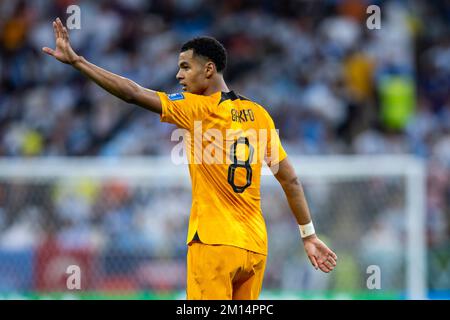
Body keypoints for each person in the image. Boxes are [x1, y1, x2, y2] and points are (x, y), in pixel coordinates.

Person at [43, 18, 337, 300]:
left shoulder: (197, 107)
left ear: (208, 69)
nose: (178, 76)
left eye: (185, 67)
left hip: (214, 242)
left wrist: (78, 62)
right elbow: (290, 178)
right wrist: (308, 235)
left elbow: (132, 93)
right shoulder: (259, 114)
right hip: (255, 246)